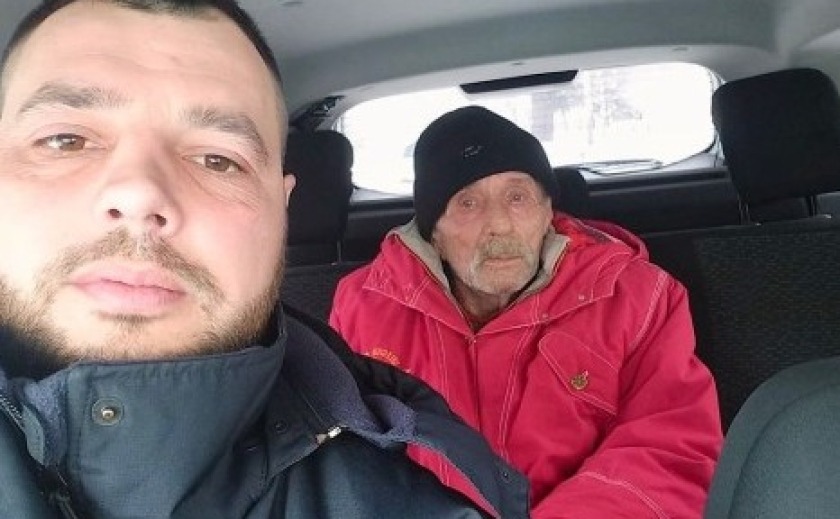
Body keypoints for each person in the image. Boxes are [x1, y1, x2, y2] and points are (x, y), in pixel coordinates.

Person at [0, 2, 530, 518]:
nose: (140, 193)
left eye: (217, 160)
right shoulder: (368, 302)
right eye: (64, 141)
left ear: (283, 208)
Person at [330, 106, 724, 518]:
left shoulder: (639, 298)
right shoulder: (364, 305)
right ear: (434, 231)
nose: (500, 225)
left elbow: (670, 450)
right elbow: (343, 457)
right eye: (468, 203)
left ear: (547, 212)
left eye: (517, 197)